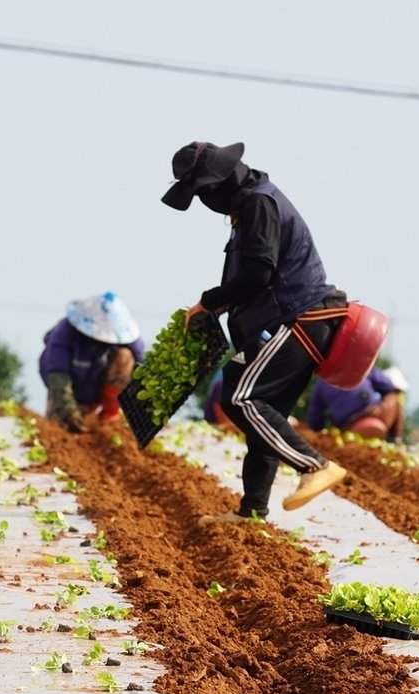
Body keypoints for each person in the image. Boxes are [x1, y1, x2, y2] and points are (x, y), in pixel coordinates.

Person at [164, 141, 349, 523]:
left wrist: (210, 300)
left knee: (241, 398)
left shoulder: (257, 203)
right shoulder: (250, 203)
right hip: (297, 319)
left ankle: (314, 466)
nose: (202, 202)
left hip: (300, 318)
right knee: (263, 407)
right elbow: (255, 276)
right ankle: (252, 512)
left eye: (201, 193)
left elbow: (259, 272)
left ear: (217, 185)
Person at [39, 292, 145, 433]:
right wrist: (68, 411)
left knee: (125, 357)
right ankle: (68, 416)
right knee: (59, 428)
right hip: (68, 387)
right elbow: (58, 375)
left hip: (99, 384)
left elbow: (141, 365)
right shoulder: (64, 333)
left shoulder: (127, 337)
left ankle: (110, 414)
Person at [306, 367, 406, 442]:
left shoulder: (321, 382)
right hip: (374, 414)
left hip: (346, 426)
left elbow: (315, 419)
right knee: (393, 397)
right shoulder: (361, 365)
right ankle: (395, 440)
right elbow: (388, 386)